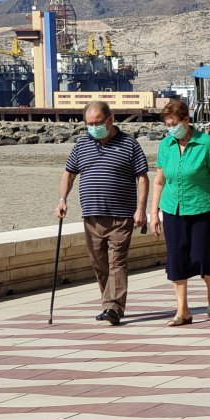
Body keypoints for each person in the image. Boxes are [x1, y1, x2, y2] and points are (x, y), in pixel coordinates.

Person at [55, 101, 150, 326]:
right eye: (89, 123)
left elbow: (143, 177)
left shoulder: (129, 145)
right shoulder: (81, 145)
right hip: (92, 216)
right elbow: (69, 174)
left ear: (110, 119)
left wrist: (141, 209)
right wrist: (62, 200)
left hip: (121, 216)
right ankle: (108, 303)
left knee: (117, 262)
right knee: (99, 264)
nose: (93, 127)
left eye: (97, 123)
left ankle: (113, 308)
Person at [149, 100, 210, 326]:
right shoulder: (166, 145)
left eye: (174, 123)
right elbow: (159, 181)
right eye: (167, 124)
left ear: (186, 121)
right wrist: (153, 212)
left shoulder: (206, 144)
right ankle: (182, 311)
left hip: (203, 208)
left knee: (201, 258)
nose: (170, 128)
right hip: (172, 209)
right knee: (176, 259)